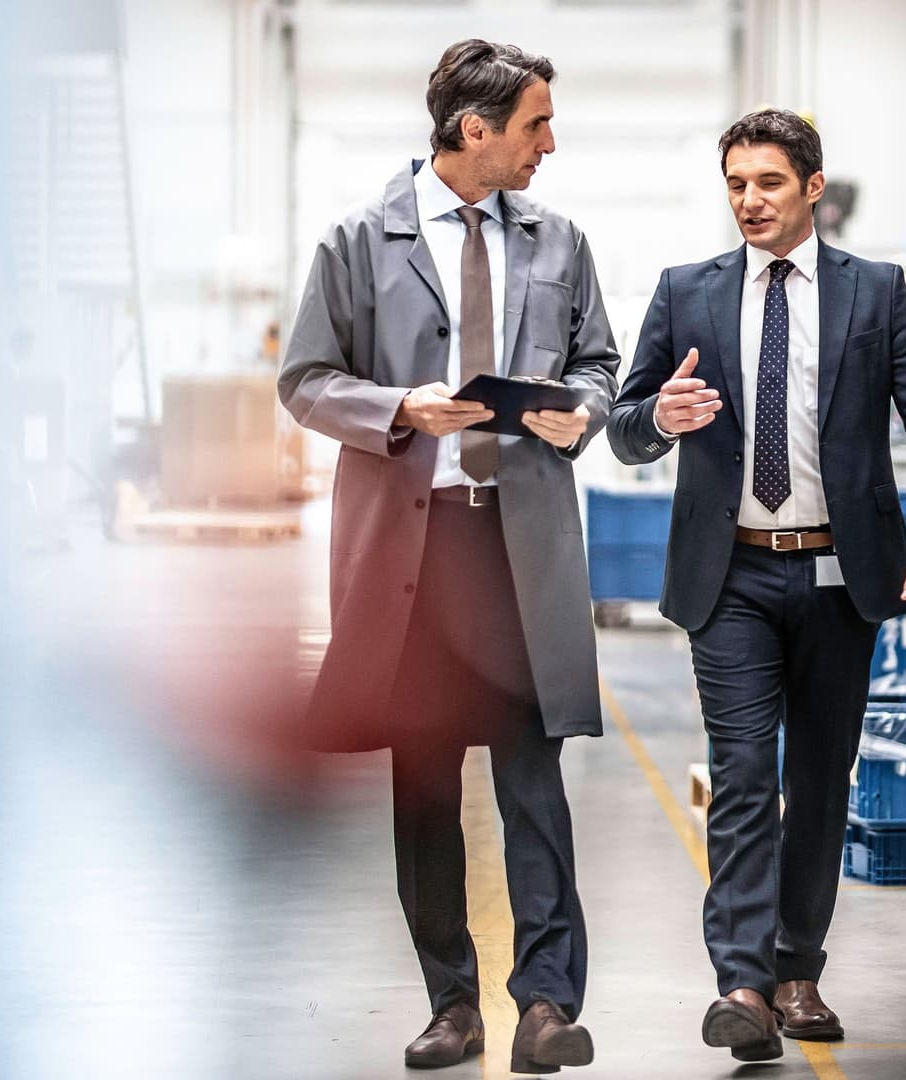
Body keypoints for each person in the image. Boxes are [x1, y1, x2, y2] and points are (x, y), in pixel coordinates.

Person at [277, 39, 615, 1074]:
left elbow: (600, 362)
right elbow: (304, 380)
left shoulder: (559, 242)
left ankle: (549, 1005)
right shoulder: (356, 241)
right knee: (423, 784)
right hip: (414, 550)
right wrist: (399, 408)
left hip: (519, 547)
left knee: (532, 780)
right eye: (535, 125)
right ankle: (452, 1004)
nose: (549, 143)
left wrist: (582, 414)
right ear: (476, 131)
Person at [606, 108, 906, 1061]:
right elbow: (625, 424)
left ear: (812, 186)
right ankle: (741, 983)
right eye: (734, 184)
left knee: (818, 780)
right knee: (740, 775)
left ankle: (797, 970)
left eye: (767, 182)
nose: (748, 201)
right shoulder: (686, 292)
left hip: (842, 579)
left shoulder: (877, 293)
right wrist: (660, 418)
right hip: (728, 577)